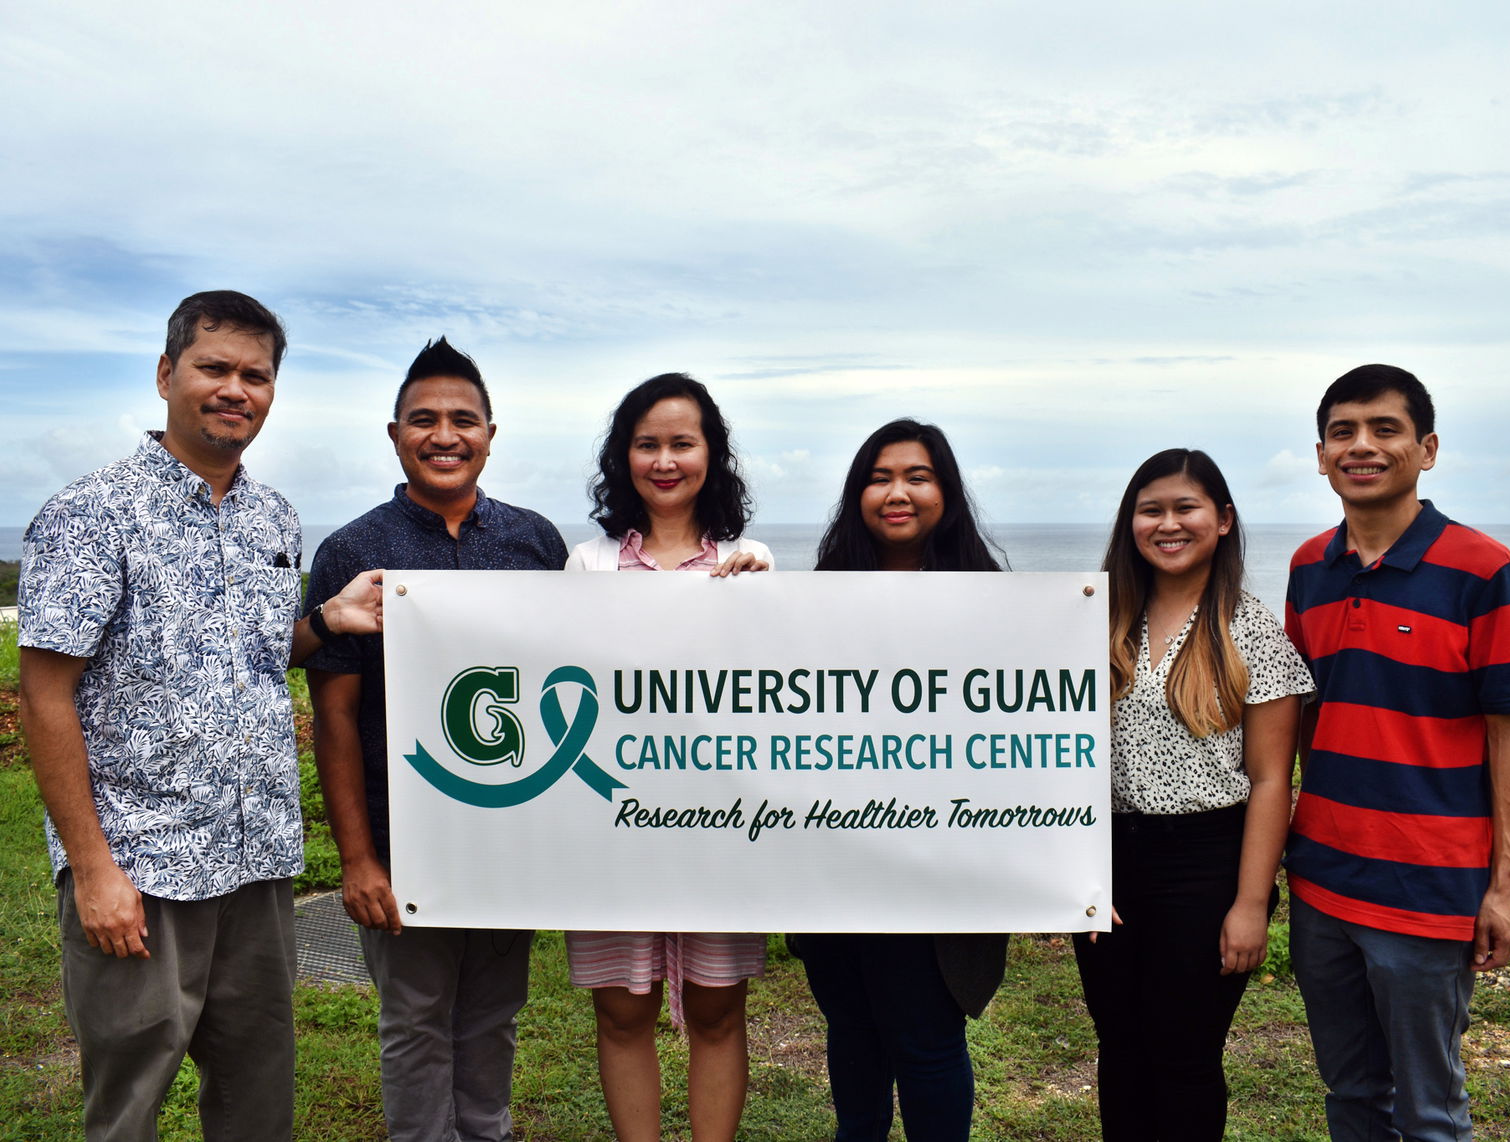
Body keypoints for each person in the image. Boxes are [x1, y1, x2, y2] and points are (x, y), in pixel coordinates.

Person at [15, 290, 382, 1142]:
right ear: (165, 373)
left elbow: (248, 650)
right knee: (129, 1103)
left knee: (258, 1100)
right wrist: (94, 869)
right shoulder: (91, 512)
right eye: (215, 367)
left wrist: (323, 622)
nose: (235, 389)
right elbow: (45, 694)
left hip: (255, 862)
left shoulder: (274, 517)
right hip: (143, 867)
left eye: (256, 375)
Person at [304, 337, 567, 1142]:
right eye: (424, 420)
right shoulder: (352, 552)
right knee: (414, 1019)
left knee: (494, 1010)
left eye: (463, 420)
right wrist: (357, 859)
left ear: (492, 434)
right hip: (400, 836)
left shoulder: (536, 544)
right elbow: (335, 718)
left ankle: (486, 1130)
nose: (444, 435)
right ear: (394, 435)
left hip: (506, 827)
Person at [1284, 364, 1510, 1142]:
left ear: (1426, 449)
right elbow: (1304, 715)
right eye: (1343, 432)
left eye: (1384, 429)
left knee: (1431, 1111)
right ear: (1322, 454)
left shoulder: (1483, 569)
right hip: (1323, 879)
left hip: (1428, 890)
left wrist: (1503, 886)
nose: (1361, 446)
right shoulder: (1307, 568)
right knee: (1351, 1093)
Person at [1071, 448, 1312, 1141]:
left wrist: (1251, 903)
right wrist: (1073, 870)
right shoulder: (1096, 618)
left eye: (1186, 508)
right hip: (1108, 855)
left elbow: (1273, 780)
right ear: (1131, 521)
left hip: (1208, 862)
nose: (1168, 524)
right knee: (1119, 1045)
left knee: (1184, 1055)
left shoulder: (1250, 628)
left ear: (1223, 520)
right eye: (1152, 509)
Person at [565, 372, 771, 1142]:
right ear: (623, 458)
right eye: (646, 443)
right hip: (613, 824)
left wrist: (765, 598)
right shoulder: (585, 564)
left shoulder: (752, 560)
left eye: (682, 443)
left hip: (723, 826)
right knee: (622, 1010)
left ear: (711, 455)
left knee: (719, 1006)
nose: (664, 459)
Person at [795, 417, 1010, 1142]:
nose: (897, 493)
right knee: (852, 1034)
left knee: (923, 1043)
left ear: (945, 492)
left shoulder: (1000, 606)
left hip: (938, 869)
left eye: (917, 477)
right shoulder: (812, 602)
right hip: (834, 861)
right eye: (879, 477)